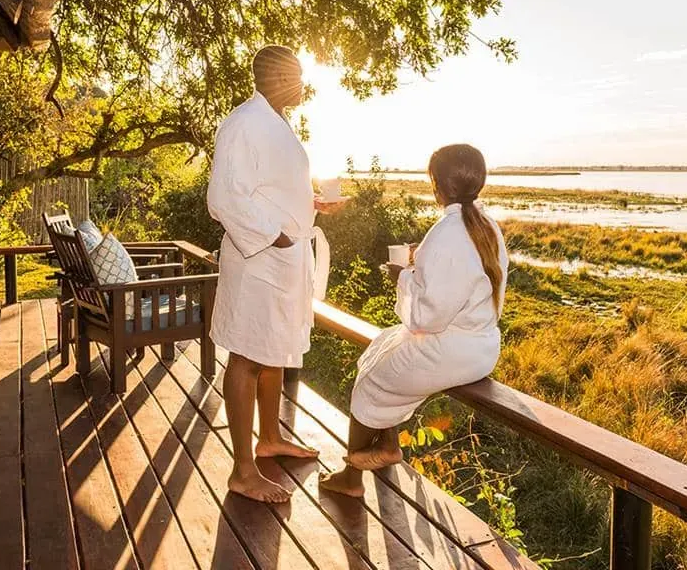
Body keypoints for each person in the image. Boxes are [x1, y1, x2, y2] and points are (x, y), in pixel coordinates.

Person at [320, 144, 508, 498]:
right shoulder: (485, 225)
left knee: (369, 384)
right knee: (380, 347)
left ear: (437, 184)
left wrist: (401, 277)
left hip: (451, 348)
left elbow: (427, 318)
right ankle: (388, 445)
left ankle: (351, 477)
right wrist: (421, 265)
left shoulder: (448, 233)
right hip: (479, 345)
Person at [207, 45, 343, 503]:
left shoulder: (277, 121)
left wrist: (311, 207)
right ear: (277, 78)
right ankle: (243, 471)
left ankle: (270, 439)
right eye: (298, 75)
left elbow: (271, 190)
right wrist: (278, 236)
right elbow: (225, 198)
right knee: (247, 355)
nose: (304, 83)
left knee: (274, 351)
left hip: (282, 260)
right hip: (258, 260)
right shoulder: (244, 123)